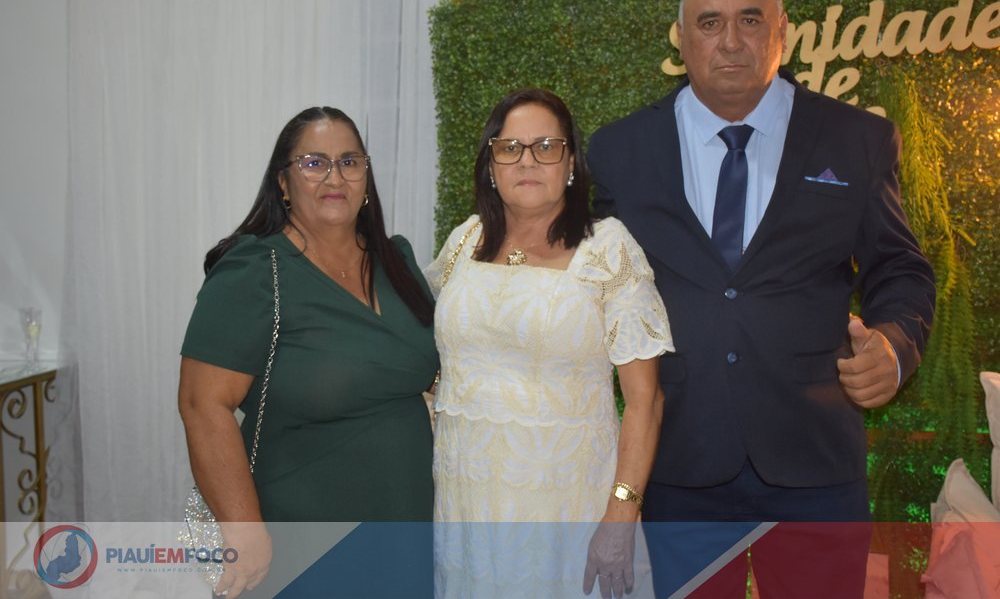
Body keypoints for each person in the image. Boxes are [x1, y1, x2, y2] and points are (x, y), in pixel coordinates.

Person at [588, 0, 936, 599]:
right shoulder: (620, 151)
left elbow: (900, 267)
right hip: (681, 463)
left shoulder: (855, 139)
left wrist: (895, 344)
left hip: (816, 464)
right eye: (710, 22)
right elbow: (596, 286)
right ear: (681, 38)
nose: (730, 40)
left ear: (783, 33)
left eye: (750, 20)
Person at [178, 107, 439, 598]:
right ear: (283, 182)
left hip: (404, 524)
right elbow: (201, 404)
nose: (334, 177)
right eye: (314, 163)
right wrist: (243, 529)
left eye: (349, 161)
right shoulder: (255, 270)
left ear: (366, 177)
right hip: (302, 535)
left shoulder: (396, 260)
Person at [425, 88, 674, 598]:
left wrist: (622, 512)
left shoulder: (607, 248)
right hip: (467, 505)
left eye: (546, 146)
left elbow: (645, 401)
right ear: (490, 165)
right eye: (509, 147)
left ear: (571, 163)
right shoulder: (464, 241)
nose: (527, 160)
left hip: (570, 509)